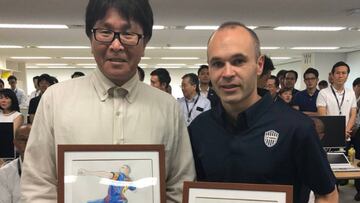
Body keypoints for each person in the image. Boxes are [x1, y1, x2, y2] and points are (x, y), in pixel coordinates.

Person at [20, 0, 195, 202]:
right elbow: (37, 186)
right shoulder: (55, 100)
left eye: (128, 34)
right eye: (105, 32)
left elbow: (179, 186)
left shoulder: (167, 107)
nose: (116, 45)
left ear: (145, 43)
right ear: (90, 38)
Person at [188, 21, 338, 203]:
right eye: (217, 63)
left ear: (259, 65)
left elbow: (327, 194)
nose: (227, 73)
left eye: (238, 61)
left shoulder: (296, 127)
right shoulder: (199, 129)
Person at [0, 124, 31, 203]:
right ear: (15, 143)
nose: (27, 143)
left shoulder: (51, 168)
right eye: (22, 139)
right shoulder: (5, 173)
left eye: (31, 139)